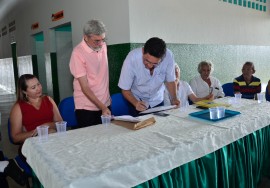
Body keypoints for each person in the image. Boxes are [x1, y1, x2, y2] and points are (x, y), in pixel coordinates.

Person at [118, 37, 180, 116]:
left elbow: (170, 80)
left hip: (157, 100)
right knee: (139, 126)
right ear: (143, 51)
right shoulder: (132, 58)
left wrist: (174, 98)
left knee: (158, 126)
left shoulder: (168, 56)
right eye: (146, 61)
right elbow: (125, 89)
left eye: (155, 64)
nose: (150, 66)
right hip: (136, 99)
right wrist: (135, 103)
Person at [69, 19, 111, 127]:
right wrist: (102, 107)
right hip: (87, 108)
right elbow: (85, 87)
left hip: (105, 103)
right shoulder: (77, 53)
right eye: (96, 41)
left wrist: (105, 104)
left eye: (103, 39)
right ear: (85, 37)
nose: (100, 43)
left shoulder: (103, 46)